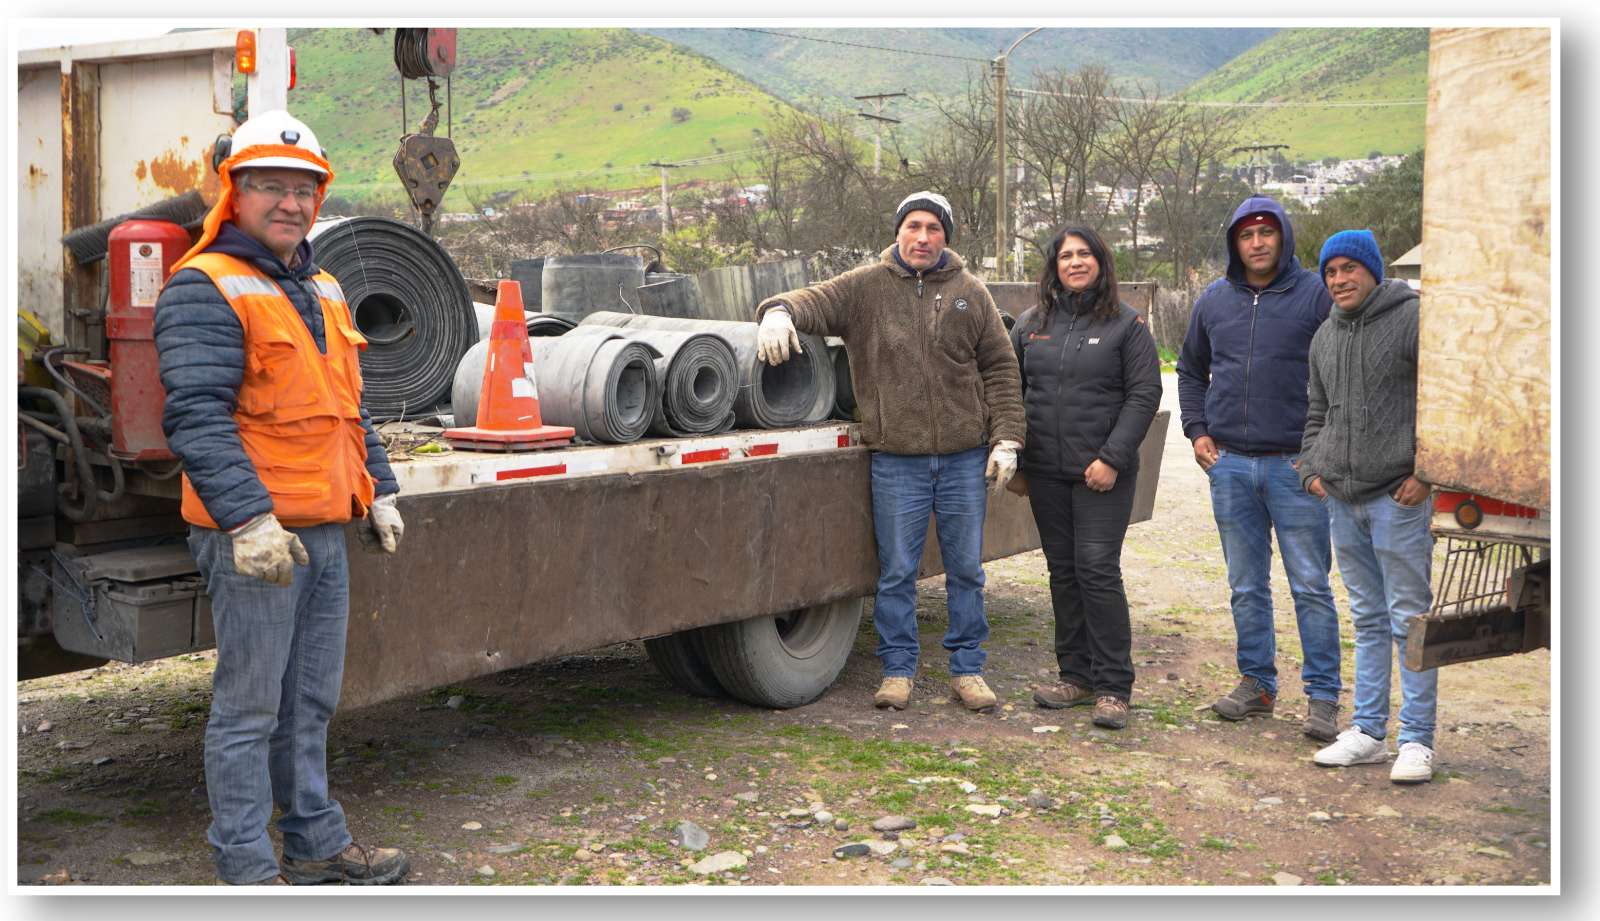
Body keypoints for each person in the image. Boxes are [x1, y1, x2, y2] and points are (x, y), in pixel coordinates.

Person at [155, 110, 410, 885]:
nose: (290, 204)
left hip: (323, 527)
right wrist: (247, 519)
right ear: (234, 193)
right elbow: (195, 415)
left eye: (304, 190)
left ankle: (315, 842)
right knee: (249, 710)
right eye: (270, 186)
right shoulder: (204, 285)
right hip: (256, 537)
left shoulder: (323, 286)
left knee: (309, 703)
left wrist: (381, 488)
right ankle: (247, 869)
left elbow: (347, 405)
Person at [753, 191, 1025, 713]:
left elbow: (1000, 367)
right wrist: (778, 312)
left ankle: (967, 670)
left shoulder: (971, 292)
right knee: (897, 573)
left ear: (946, 237)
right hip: (897, 460)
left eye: (933, 229)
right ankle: (898, 670)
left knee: (966, 571)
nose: (922, 237)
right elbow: (811, 300)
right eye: (913, 227)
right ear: (898, 231)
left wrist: (1008, 437)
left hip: (964, 458)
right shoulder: (865, 288)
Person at [1175, 196, 1342, 743]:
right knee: (1246, 585)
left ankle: (1323, 696)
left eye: (1267, 232)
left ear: (1283, 237)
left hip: (1297, 468)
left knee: (1310, 586)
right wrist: (1197, 431)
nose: (1257, 243)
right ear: (1234, 243)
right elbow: (1191, 371)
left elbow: (1342, 375)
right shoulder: (1213, 301)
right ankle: (1258, 684)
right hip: (1231, 466)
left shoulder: (1316, 296)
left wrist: (1321, 453)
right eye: (1246, 235)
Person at [1299, 230, 1439, 784]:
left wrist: (1427, 473)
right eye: (1330, 272)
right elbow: (1316, 412)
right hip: (1343, 499)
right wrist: (1312, 469)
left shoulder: (1413, 319)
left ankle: (1417, 739)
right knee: (1368, 618)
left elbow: (1441, 401)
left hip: (1398, 498)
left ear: (1373, 271)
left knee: (1410, 619)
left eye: (1349, 269)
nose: (1339, 280)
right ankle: (1368, 732)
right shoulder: (1324, 336)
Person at [1011, 226, 1161, 731]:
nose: (1075, 262)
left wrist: (1112, 458)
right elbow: (1011, 389)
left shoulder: (1127, 325)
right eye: (1065, 256)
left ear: (1100, 261)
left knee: (1096, 570)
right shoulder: (1031, 324)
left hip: (1103, 475)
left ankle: (1114, 686)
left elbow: (1145, 394)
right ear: (1054, 267)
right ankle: (1074, 676)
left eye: (1084, 254)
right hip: (1046, 474)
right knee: (1063, 572)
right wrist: (1017, 461)